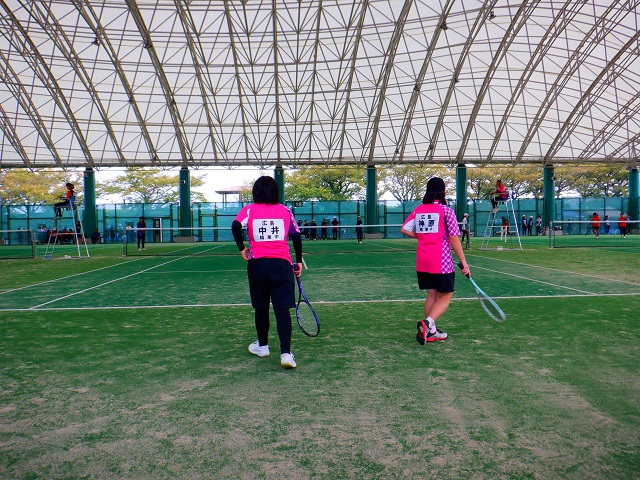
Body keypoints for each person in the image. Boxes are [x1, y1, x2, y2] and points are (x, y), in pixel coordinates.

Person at [231, 176, 303, 369]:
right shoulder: (285, 210)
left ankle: (262, 346)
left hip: (258, 266)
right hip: (282, 265)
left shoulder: (249, 209)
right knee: (282, 309)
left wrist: (242, 248)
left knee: (261, 307)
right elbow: (296, 236)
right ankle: (286, 354)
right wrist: (298, 261)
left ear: (256, 192)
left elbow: (235, 226)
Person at [400, 177, 469, 344]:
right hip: (441, 261)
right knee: (446, 294)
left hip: (422, 260)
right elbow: (454, 238)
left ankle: (431, 332)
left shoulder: (419, 210)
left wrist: (422, 236)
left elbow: (404, 229)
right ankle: (428, 323)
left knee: (431, 294)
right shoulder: (446, 211)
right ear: (443, 191)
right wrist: (464, 261)